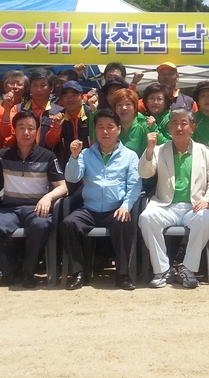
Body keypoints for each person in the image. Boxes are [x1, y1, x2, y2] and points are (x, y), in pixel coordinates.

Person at [0, 110, 68, 287]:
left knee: (41, 226)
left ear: (37, 131)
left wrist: (48, 198)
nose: (26, 132)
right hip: (9, 209)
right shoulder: (3, 154)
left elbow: (63, 187)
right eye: (21, 128)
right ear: (14, 130)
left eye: (31, 128)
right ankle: (11, 268)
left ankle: (29, 271)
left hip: (36, 208)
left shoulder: (47, 156)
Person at [138, 109, 209, 289]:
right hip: (165, 205)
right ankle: (162, 270)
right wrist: (149, 150)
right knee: (146, 218)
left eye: (184, 123)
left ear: (192, 127)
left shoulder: (206, 152)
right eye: (174, 123)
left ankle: (188, 269)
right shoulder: (159, 150)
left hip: (194, 205)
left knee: (206, 219)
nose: (179, 127)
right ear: (169, 127)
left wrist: (207, 199)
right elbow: (145, 173)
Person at [61, 109, 141, 291]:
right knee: (68, 224)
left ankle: (122, 275)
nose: (105, 131)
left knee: (124, 222)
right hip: (90, 209)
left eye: (110, 127)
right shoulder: (85, 154)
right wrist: (74, 157)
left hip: (115, 209)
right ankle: (79, 273)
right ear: (95, 130)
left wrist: (126, 206)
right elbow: (72, 178)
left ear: (118, 129)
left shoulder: (130, 156)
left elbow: (135, 186)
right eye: (100, 127)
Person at [0, 68, 62, 147]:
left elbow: (52, 142)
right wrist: (7, 108)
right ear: (30, 88)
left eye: (43, 85)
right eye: (34, 85)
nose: (38, 89)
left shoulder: (59, 111)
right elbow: (6, 133)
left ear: (51, 88)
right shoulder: (18, 109)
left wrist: (56, 127)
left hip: (48, 154)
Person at [45, 81, 92, 171]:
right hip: (66, 166)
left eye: (74, 95)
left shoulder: (91, 115)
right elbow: (50, 143)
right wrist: (56, 127)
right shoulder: (58, 117)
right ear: (62, 100)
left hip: (90, 165)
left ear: (82, 97)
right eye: (66, 96)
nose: (70, 99)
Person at [109, 89, 148, 159]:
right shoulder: (111, 126)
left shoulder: (145, 125)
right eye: (119, 105)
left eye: (128, 104)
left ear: (135, 107)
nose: (124, 108)